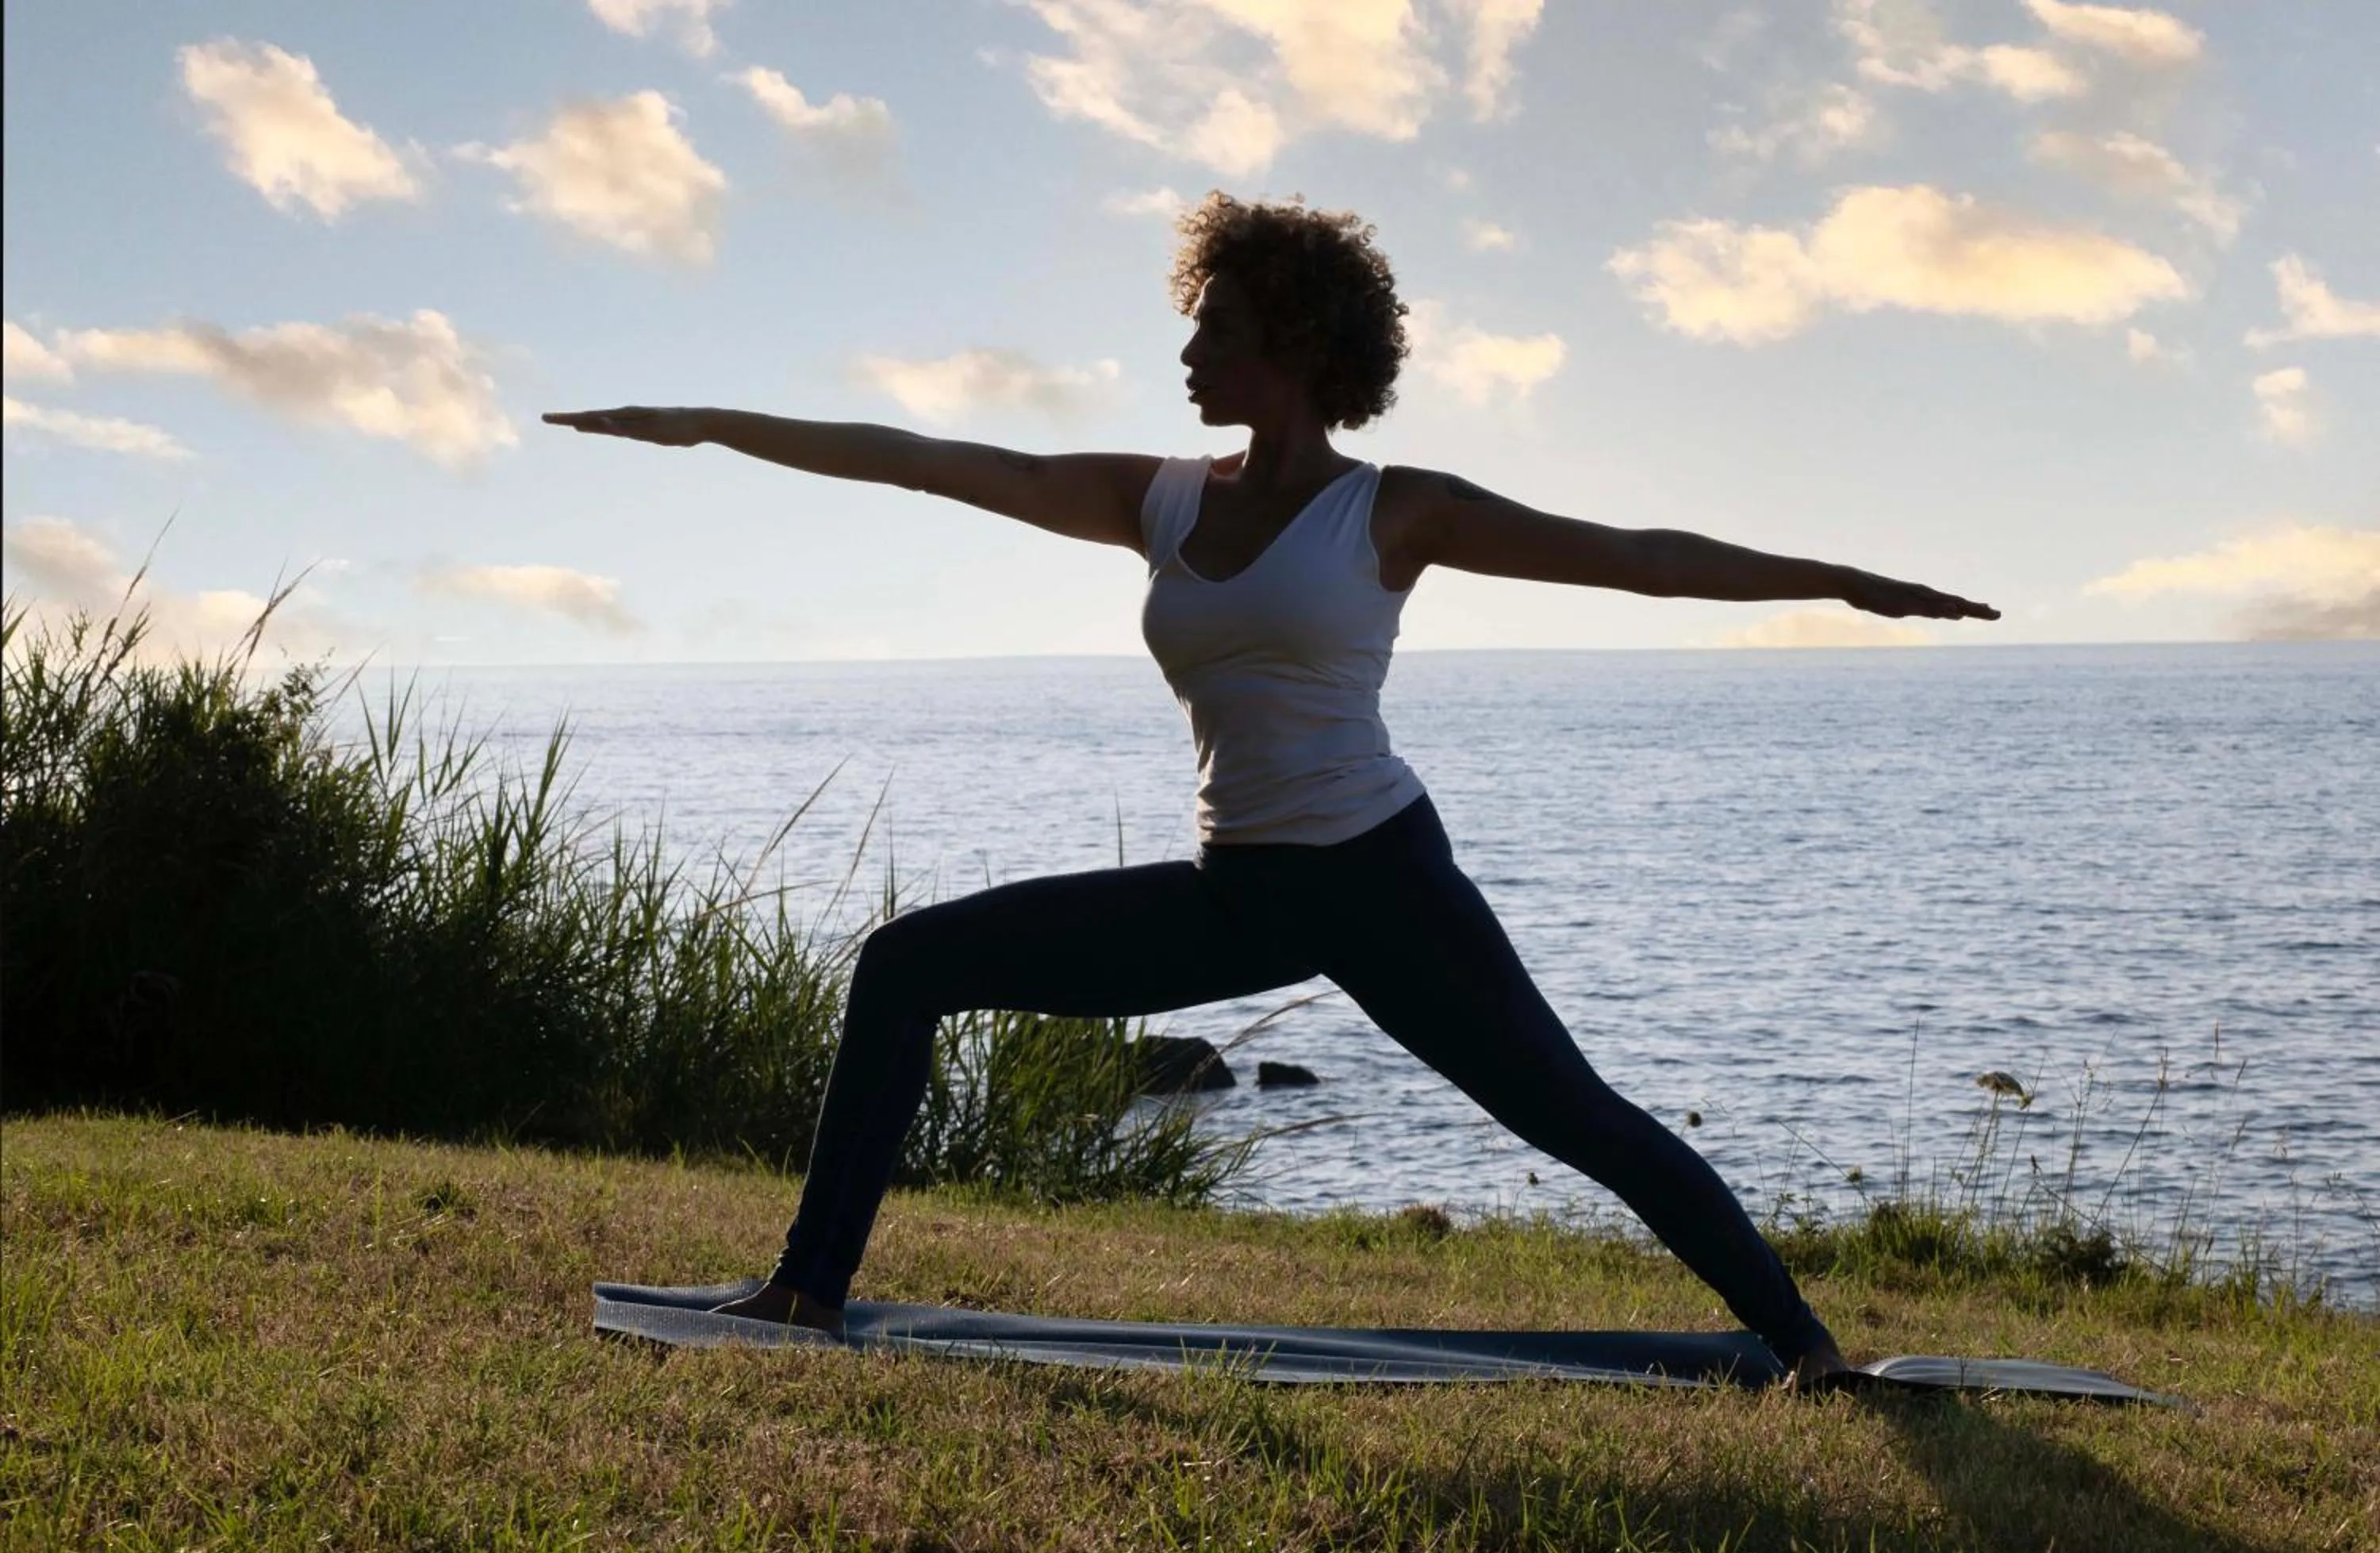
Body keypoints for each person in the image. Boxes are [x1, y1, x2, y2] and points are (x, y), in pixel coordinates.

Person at [544, 192, 1998, 1390]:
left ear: (1297, 344)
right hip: (1233, 887)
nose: (1189, 352)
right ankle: (808, 1292)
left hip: (1379, 878)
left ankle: (1808, 1348)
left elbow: (1641, 555)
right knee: (907, 962)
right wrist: (712, 422)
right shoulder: (1160, 497)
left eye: (1217, 329)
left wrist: (1846, 581)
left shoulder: (1393, 508)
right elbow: (939, 464)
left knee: (1574, 1118)